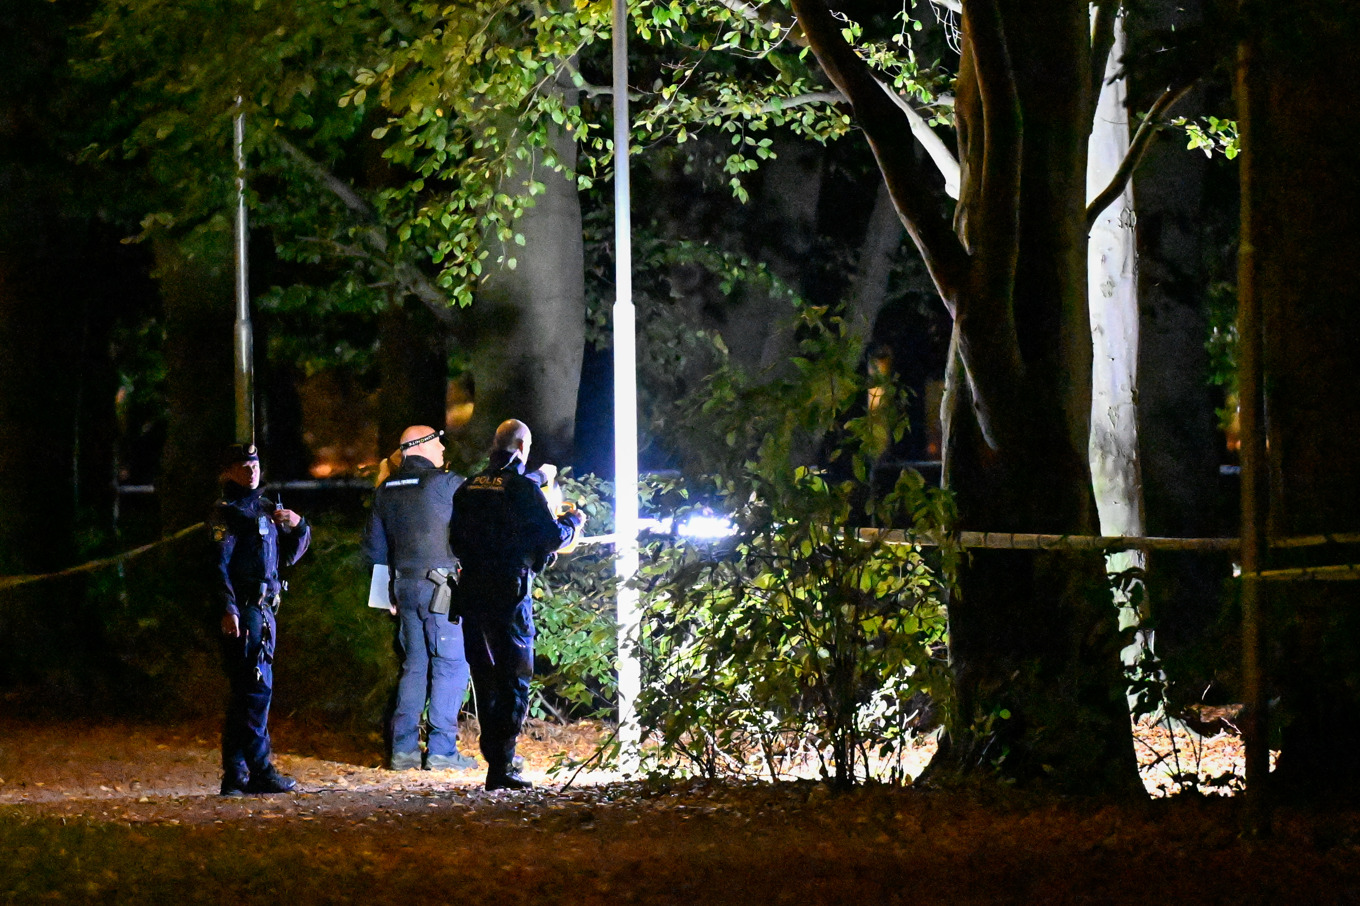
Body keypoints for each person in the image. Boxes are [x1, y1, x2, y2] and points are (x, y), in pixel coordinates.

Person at [450, 419, 586, 791]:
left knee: (484, 676)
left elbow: (456, 541)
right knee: (514, 675)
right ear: (523, 447)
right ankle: (503, 763)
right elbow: (551, 536)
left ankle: (495, 758)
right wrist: (573, 521)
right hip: (508, 593)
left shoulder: (468, 486)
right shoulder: (523, 489)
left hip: (471, 590)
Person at [361, 425, 476, 771]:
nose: (442, 448)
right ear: (421, 445)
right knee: (451, 665)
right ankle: (441, 750)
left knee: (414, 666)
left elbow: (374, 549)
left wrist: (386, 595)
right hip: (442, 589)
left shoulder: (385, 490)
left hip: (403, 589)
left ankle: (403, 750)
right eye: (437, 442)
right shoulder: (447, 484)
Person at [211, 443, 311, 796]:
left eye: (254, 464)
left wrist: (298, 526)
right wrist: (229, 608)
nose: (251, 471)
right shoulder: (227, 514)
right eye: (243, 466)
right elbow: (218, 565)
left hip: (266, 608)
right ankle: (260, 770)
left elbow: (288, 558)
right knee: (255, 689)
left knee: (246, 693)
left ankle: (235, 774)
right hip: (246, 610)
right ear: (229, 472)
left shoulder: (268, 508)